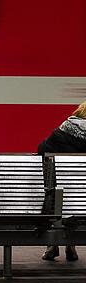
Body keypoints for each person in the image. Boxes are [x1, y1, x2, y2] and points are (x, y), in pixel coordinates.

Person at [37, 101, 86, 262]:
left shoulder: (61, 133)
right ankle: (70, 245)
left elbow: (41, 149)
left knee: (55, 193)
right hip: (82, 199)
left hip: (62, 198)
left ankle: (52, 246)